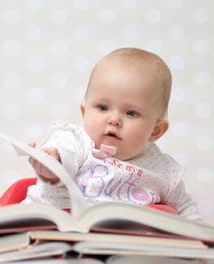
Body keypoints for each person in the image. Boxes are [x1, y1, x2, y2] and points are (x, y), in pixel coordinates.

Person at [24, 47, 201, 221]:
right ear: (85, 112)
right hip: (51, 225)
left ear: (155, 130)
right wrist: (52, 163)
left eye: (131, 113)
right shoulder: (76, 141)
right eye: (102, 107)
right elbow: (65, 154)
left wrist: (202, 239)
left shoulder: (163, 171)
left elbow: (186, 209)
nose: (114, 119)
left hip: (116, 242)